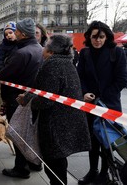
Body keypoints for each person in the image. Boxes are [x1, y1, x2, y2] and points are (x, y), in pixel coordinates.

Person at [19, 34, 91, 185]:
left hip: (55, 123)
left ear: (51, 52)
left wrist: (29, 103)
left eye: (45, 47)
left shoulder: (52, 65)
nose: (43, 50)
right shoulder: (67, 63)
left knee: (53, 164)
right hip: (66, 120)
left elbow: (46, 99)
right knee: (59, 160)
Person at [76, 21, 127, 185]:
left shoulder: (117, 53)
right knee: (92, 141)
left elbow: (122, 80)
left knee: (106, 141)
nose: (97, 40)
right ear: (89, 37)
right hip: (89, 104)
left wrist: (101, 98)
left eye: (101, 37)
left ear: (107, 37)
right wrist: (84, 93)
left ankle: (105, 173)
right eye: (94, 37)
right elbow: (80, 77)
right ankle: (93, 171)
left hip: (109, 105)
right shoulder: (84, 53)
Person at [0, 18, 43, 179]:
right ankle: (34, 162)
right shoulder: (39, 49)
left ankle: (21, 168)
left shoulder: (21, 53)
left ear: (22, 34)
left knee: (18, 134)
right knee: (31, 133)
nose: (14, 33)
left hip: (16, 99)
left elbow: (2, 75)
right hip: (34, 99)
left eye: (16, 31)